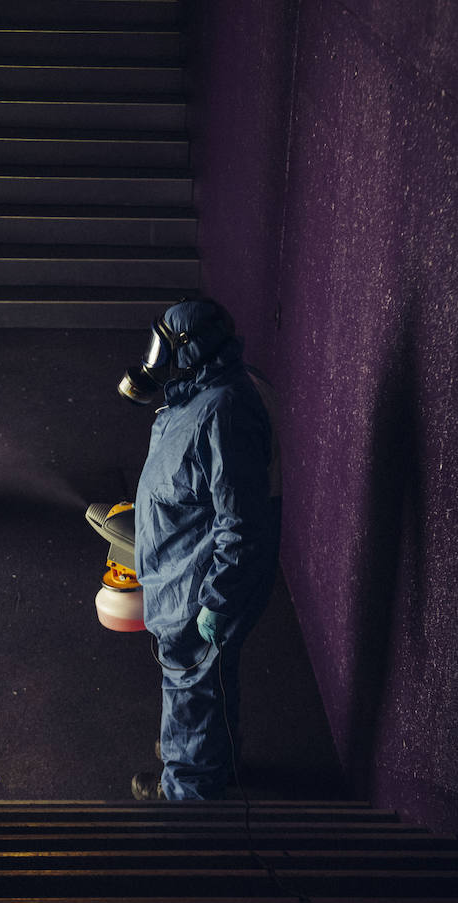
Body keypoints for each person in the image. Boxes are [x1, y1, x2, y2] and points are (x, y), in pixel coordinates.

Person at [118, 298, 281, 801]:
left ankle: (187, 794)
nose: (156, 361)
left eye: (164, 348)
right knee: (208, 681)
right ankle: (212, 760)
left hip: (195, 587)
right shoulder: (204, 393)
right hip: (179, 568)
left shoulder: (224, 411)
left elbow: (241, 522)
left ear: (192, 349)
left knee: (190, 683)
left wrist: (218, 599)